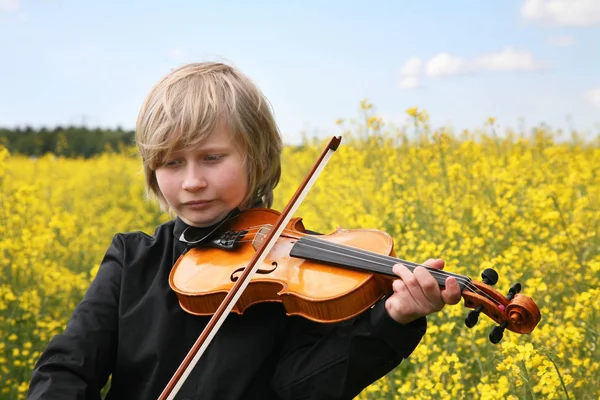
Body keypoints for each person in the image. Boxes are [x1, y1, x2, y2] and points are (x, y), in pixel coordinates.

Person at [27, 61, 461, 400]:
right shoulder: (133, 259)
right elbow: (67, 367)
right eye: (172, 162)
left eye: (212, 158)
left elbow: (304, 389)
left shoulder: (296, 271)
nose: (192, 180)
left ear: (257, 156)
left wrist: (391, 320)